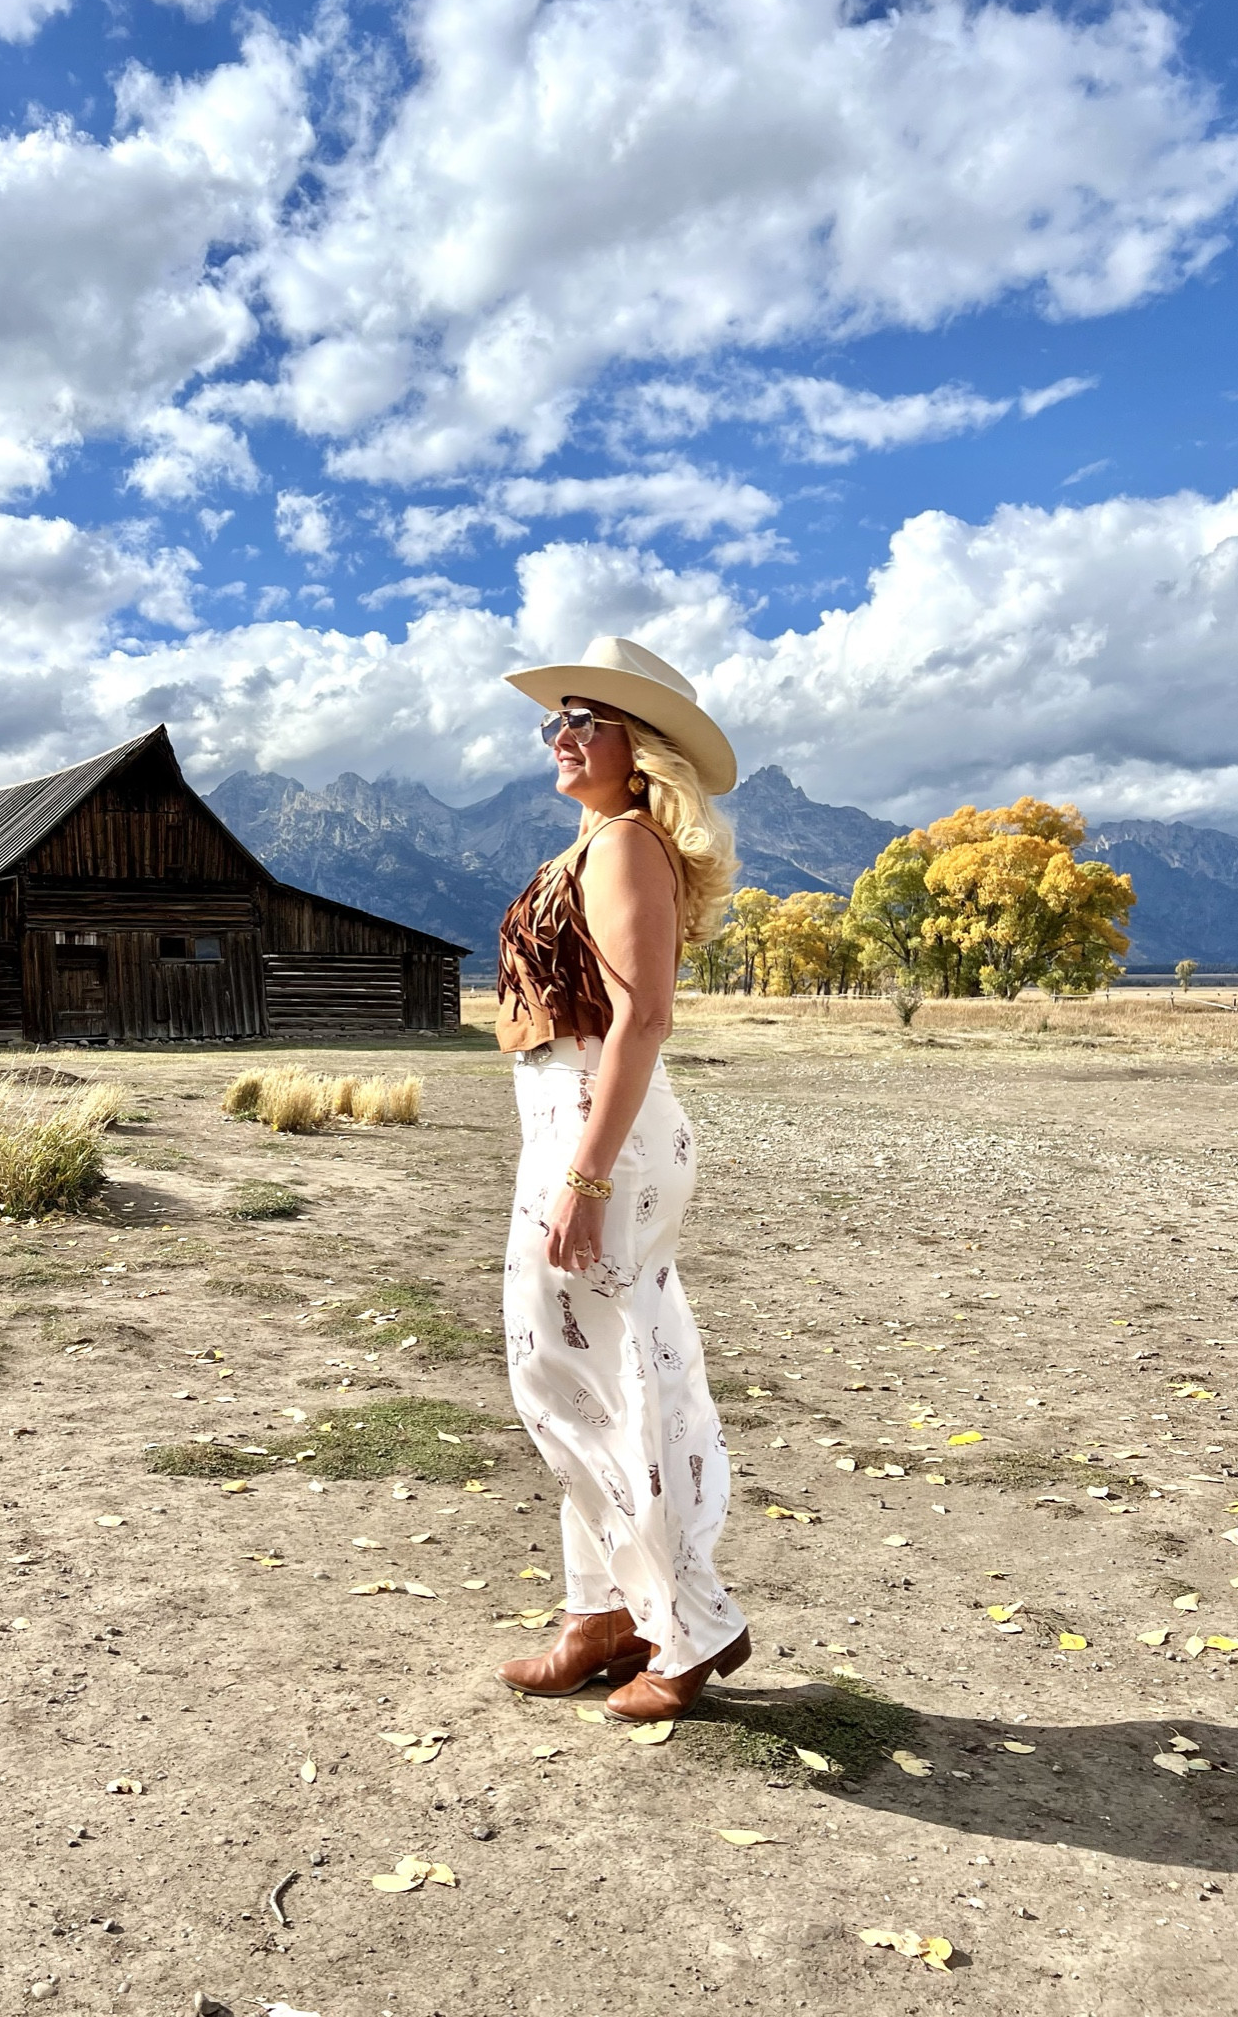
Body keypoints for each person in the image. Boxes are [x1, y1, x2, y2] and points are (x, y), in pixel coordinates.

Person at [491, 635, 750, 1725]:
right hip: (571, 1120)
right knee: (572, 1373)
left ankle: (686, 1625)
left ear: (637, 747)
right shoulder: (595, 843)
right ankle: (601, 1611)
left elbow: (643, 1014)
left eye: (584, 719)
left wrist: (587, 1176)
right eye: (556, 718)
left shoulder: (625, 845)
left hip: (604, 1131)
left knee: (615, 1378)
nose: (559, 733)